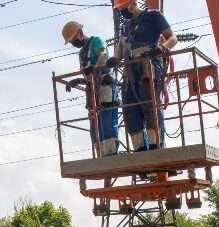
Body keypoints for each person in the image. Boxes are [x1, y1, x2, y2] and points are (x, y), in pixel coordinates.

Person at [114, 0, 177, 152]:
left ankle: (156, 146)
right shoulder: (126, 26)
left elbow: (173, 38)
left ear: (133, 3)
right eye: (119, 9)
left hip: (148, 66)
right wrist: (113, 60)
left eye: (122, 7)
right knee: (130, 108)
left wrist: (161, 48)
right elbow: (120, 51)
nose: (122, 11)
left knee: (150, 104)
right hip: (130, 71)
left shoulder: (153, 16)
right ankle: (140, 148)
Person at [62, 21, 119, 157]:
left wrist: (94, 68)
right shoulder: (81, 54)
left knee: (106, 119)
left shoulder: (96, 42)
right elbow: (88, 76)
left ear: (80, 33)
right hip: (93, 90)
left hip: (105, 85)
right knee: (95, 124)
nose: (73, 44)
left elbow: (103, 57)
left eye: (73, 40)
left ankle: (110, 153)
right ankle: (100, 154)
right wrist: (77, 81)